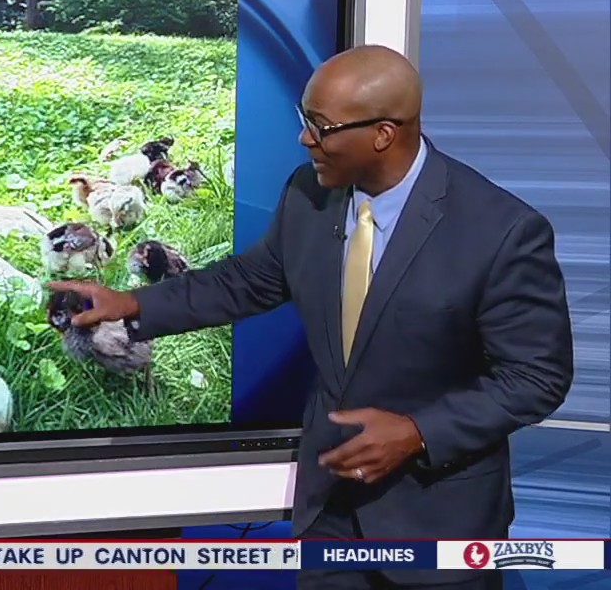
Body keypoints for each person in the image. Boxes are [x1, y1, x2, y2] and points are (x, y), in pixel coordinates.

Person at [51, 45, 574, 589]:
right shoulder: (309, 196)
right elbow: (250, 281)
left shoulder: (501, 231)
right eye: (307, 120)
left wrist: (418, 432)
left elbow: (536, 376)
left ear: (383, 134)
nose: (306, 139)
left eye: (321, 127)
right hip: (329, 516)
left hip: (436, 522)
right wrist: (134, 304)